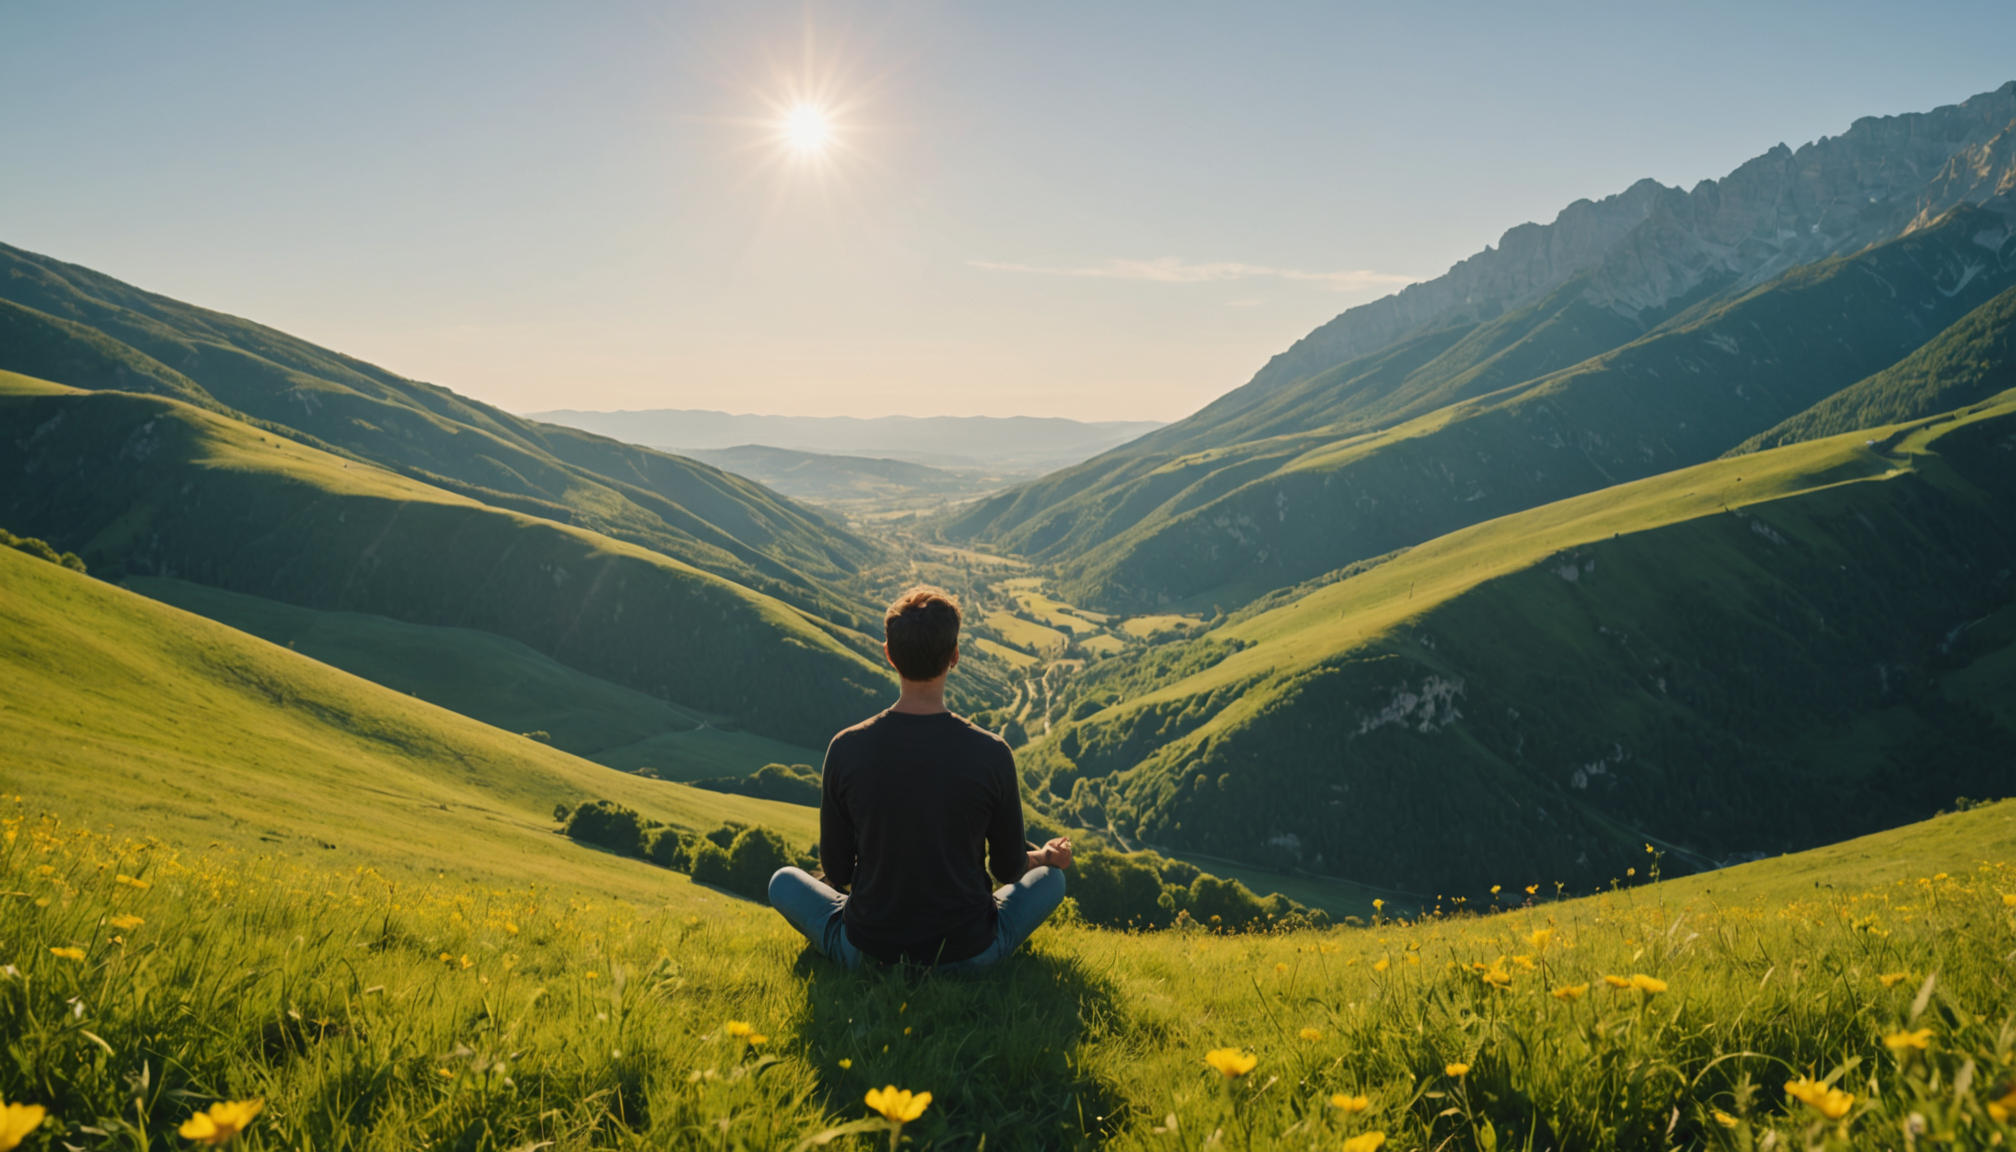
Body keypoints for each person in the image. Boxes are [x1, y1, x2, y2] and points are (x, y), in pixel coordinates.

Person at [768, 584, 1073, 969]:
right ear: (955, 656)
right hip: (970, 953)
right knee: (1052, 880)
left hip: (868, 951)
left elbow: (838, 871)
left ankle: (864, 939)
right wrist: (1045, 856)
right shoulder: (993, 752)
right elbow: (1007, 870)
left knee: (783, 882)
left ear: (889, 655)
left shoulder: (845, 748)